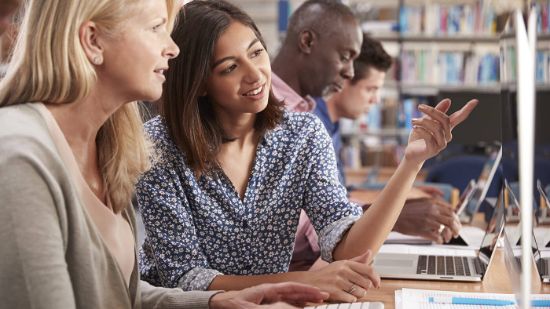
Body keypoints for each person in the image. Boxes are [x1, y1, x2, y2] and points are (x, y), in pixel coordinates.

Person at [136, 0, 478, 303]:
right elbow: (183, 278)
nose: (256, 74)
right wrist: (303, 281)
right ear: (198, 83)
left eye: (256, 53)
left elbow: (349, 245)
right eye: (230, 67)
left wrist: (411, 163)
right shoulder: (158, 147)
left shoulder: (302, 134)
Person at [0, 0, 328, 308]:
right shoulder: (21, 157)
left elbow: (114, 292)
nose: (172, 49)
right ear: (93, 41)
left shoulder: (109, 147)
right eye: (156, 27)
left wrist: (214, 302)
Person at [270, 0, 462, 271]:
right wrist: (391, 214)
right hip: (290, 274)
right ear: (307, 41)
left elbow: (326, 215)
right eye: (345, 57)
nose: (349, 73)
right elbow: (312, 232)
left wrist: (406, 175)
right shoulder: (273, 115)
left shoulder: (305, 115)